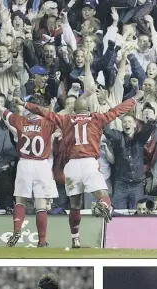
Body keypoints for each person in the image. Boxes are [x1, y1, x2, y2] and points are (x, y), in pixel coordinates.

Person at [23, 91, 144, 247]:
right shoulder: (96, 118)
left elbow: (45, 113)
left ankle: (75, 239)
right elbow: (117, 111)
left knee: (75, 205)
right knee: (105, 197)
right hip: (89, 163)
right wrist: (134, 99)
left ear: (74, 110)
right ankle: (102, 205)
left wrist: (26, 104)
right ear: (88, 109)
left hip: (71, 167)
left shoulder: (65, 119)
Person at [0, 86, 58, 248]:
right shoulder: (48, 122)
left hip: (24, 164)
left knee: (20, 201)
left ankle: (17, 230)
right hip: (42, 165)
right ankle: (41, 241)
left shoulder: (20, 121)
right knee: (41, 206)